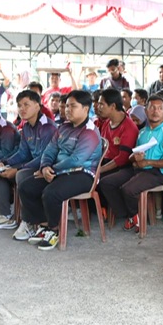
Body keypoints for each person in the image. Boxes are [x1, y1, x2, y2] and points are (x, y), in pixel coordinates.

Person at [15, 90, 102, 250]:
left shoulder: (90, 132)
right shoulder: (63, 127)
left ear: (86, 108)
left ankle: (54, 231)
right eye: (67, 106)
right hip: (59, 171)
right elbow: (50, 150)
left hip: (83, 174)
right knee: (26, 186)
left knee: (51, 193)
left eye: (73, 106)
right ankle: (43, 224)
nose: (67, 110)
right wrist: (45, 166)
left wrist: (51, 169)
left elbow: (77, 159)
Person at [99, 95, 163, 233]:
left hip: (157, 172)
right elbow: (131, 157)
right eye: (152, 107)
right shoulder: (142, 132)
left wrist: (147, 162)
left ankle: (133, 217)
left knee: (128, 189)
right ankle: (131, 215)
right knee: (106, 182)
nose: (155, 111)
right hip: (137, 168)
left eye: (160, 108)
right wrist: (135, 157)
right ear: (146, 111)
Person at [0, 90, 58, 232]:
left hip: (47, 167)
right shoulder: (25, 127)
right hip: (31, 164)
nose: (22, 109)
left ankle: (29, 220)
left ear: (38, 106)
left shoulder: (48, 127)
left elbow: (44, 157)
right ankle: (6, 215)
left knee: (21, 175)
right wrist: (4, 163)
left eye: (26, 104)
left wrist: (17, 169)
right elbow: (23, 153)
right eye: (19, 105)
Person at [96, 89, 139, 178]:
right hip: (105, 162)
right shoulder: (106, 123)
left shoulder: (128, 127)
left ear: (113, 106)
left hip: (121, 167)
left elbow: (122, 158)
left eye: (101, 104)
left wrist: (100, 170)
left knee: (100, 181)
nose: (98, 107)